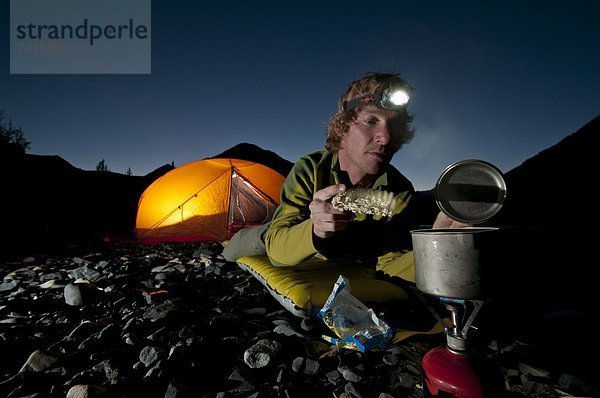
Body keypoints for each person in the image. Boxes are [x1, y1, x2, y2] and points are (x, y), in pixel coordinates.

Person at [223, 72, 467, 282]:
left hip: (347, 250)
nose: (386, 137)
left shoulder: (399, 189)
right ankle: (226, 242)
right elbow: (277, 249)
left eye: (394, 126)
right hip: (281, 235)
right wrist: (315, 229)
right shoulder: (311, 168)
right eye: (371, 120)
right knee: (235, 248)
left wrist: (439, 251)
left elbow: (389, 259)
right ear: (342, 127)